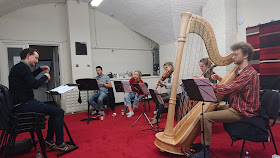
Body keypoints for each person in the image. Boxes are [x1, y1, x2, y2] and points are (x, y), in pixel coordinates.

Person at [192, 42, 260, 157]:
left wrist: (205, 82)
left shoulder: (249, 74)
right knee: (211, 107)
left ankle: (205, 152)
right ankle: (203, 142)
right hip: (236, 105)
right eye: (232, 55)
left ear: (245, 55)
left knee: (205, 116)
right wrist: (220, 78)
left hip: (242, 111)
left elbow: (228, 88)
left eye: (235, 55)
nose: (232, 57)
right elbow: (236, 86)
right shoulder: (242, 72)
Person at [9, 48, 74, 152]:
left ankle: (49, 140)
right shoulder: (23, 68)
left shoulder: (19, 67)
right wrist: (46, 76)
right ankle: (59, 144)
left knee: (54, 112)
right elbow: (34, 84)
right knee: (59, 112)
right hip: (24, 104)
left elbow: (28, 78)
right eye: (36, 58)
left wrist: (39, 70)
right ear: (28, 56)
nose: (37, 61)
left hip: (21, 103)